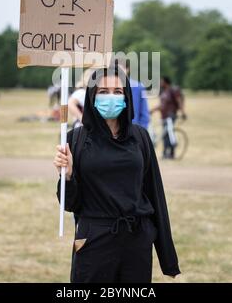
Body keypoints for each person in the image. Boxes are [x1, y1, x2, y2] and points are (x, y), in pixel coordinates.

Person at [54, 64, 180, 283]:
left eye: (117, 92)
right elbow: (70, 204)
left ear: (126, 96)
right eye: (103, 92)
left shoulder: (140, 137)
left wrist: (167, 256)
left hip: (136, 241)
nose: (110, 97)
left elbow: (155, 193)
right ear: (92, 96)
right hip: (94, 240)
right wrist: (68, 175)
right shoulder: (75, 138)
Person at [150, 76, 186, 159]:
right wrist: (152, 110)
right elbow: (162, 105)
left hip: (171, 115)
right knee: (164, 135)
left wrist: (183, 112)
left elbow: (178, 101)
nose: (160, 83)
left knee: (170, 133)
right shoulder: (163, 92)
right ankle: (165, 153)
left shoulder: (172, 91)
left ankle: (172, 152)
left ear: (166, 82)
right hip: (164, 116)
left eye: (161, 81)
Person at [115, 60, 150, 130]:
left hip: (134, 130)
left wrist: (141, 133)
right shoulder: (110, 88)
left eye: (121, 69)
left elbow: (144, 114)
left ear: (127, 69)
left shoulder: (139, 87)